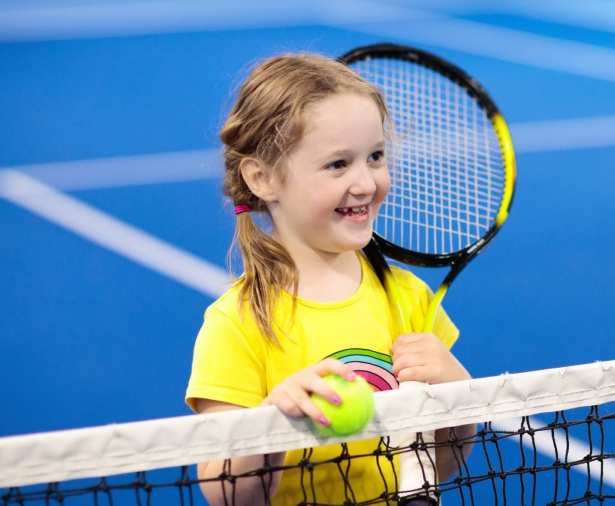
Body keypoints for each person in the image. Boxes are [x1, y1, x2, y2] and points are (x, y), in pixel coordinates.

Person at [185, 52, 473, 506]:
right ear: (262, 178)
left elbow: (439, 463)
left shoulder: (409, 299)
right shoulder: (237, 322)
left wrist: (460, 400)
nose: (366, 182)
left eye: (375, 156)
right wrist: (270, 423)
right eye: (338, 164)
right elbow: (227, 495)